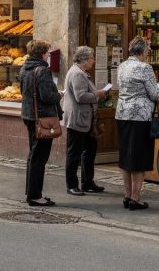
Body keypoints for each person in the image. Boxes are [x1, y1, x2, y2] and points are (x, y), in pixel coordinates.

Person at [116, 36, 159, 211]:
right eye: (147, 51)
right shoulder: (145, 68)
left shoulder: (122, 66)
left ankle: (127, 195)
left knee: (126, 155)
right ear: (143, 51)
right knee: (139, 157)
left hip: (122, 113)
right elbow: (154, 94)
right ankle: (136, 198)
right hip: (140, 116)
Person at [19, 39, 62, 206]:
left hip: (29, 116)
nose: (48, 56)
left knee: (33, 155)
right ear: (43, 54)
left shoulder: (25, 68)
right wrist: (59, 94)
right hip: (43, 118)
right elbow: (47, 96)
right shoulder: (42, 70)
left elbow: (24, 91)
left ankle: (31, 192)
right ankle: (35, 196)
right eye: (47, 53)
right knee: (39, 157)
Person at [62, 46, 109, 196]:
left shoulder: (81, 72)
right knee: (74, 153)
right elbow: (80, 96)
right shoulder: (77, 74)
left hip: (85, 119)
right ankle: (71, 184)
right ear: (84, 59)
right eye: (92, 58)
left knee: (90, 149)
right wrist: (98, 94)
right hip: (78, 118)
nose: (93, 61)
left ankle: (87, 182)